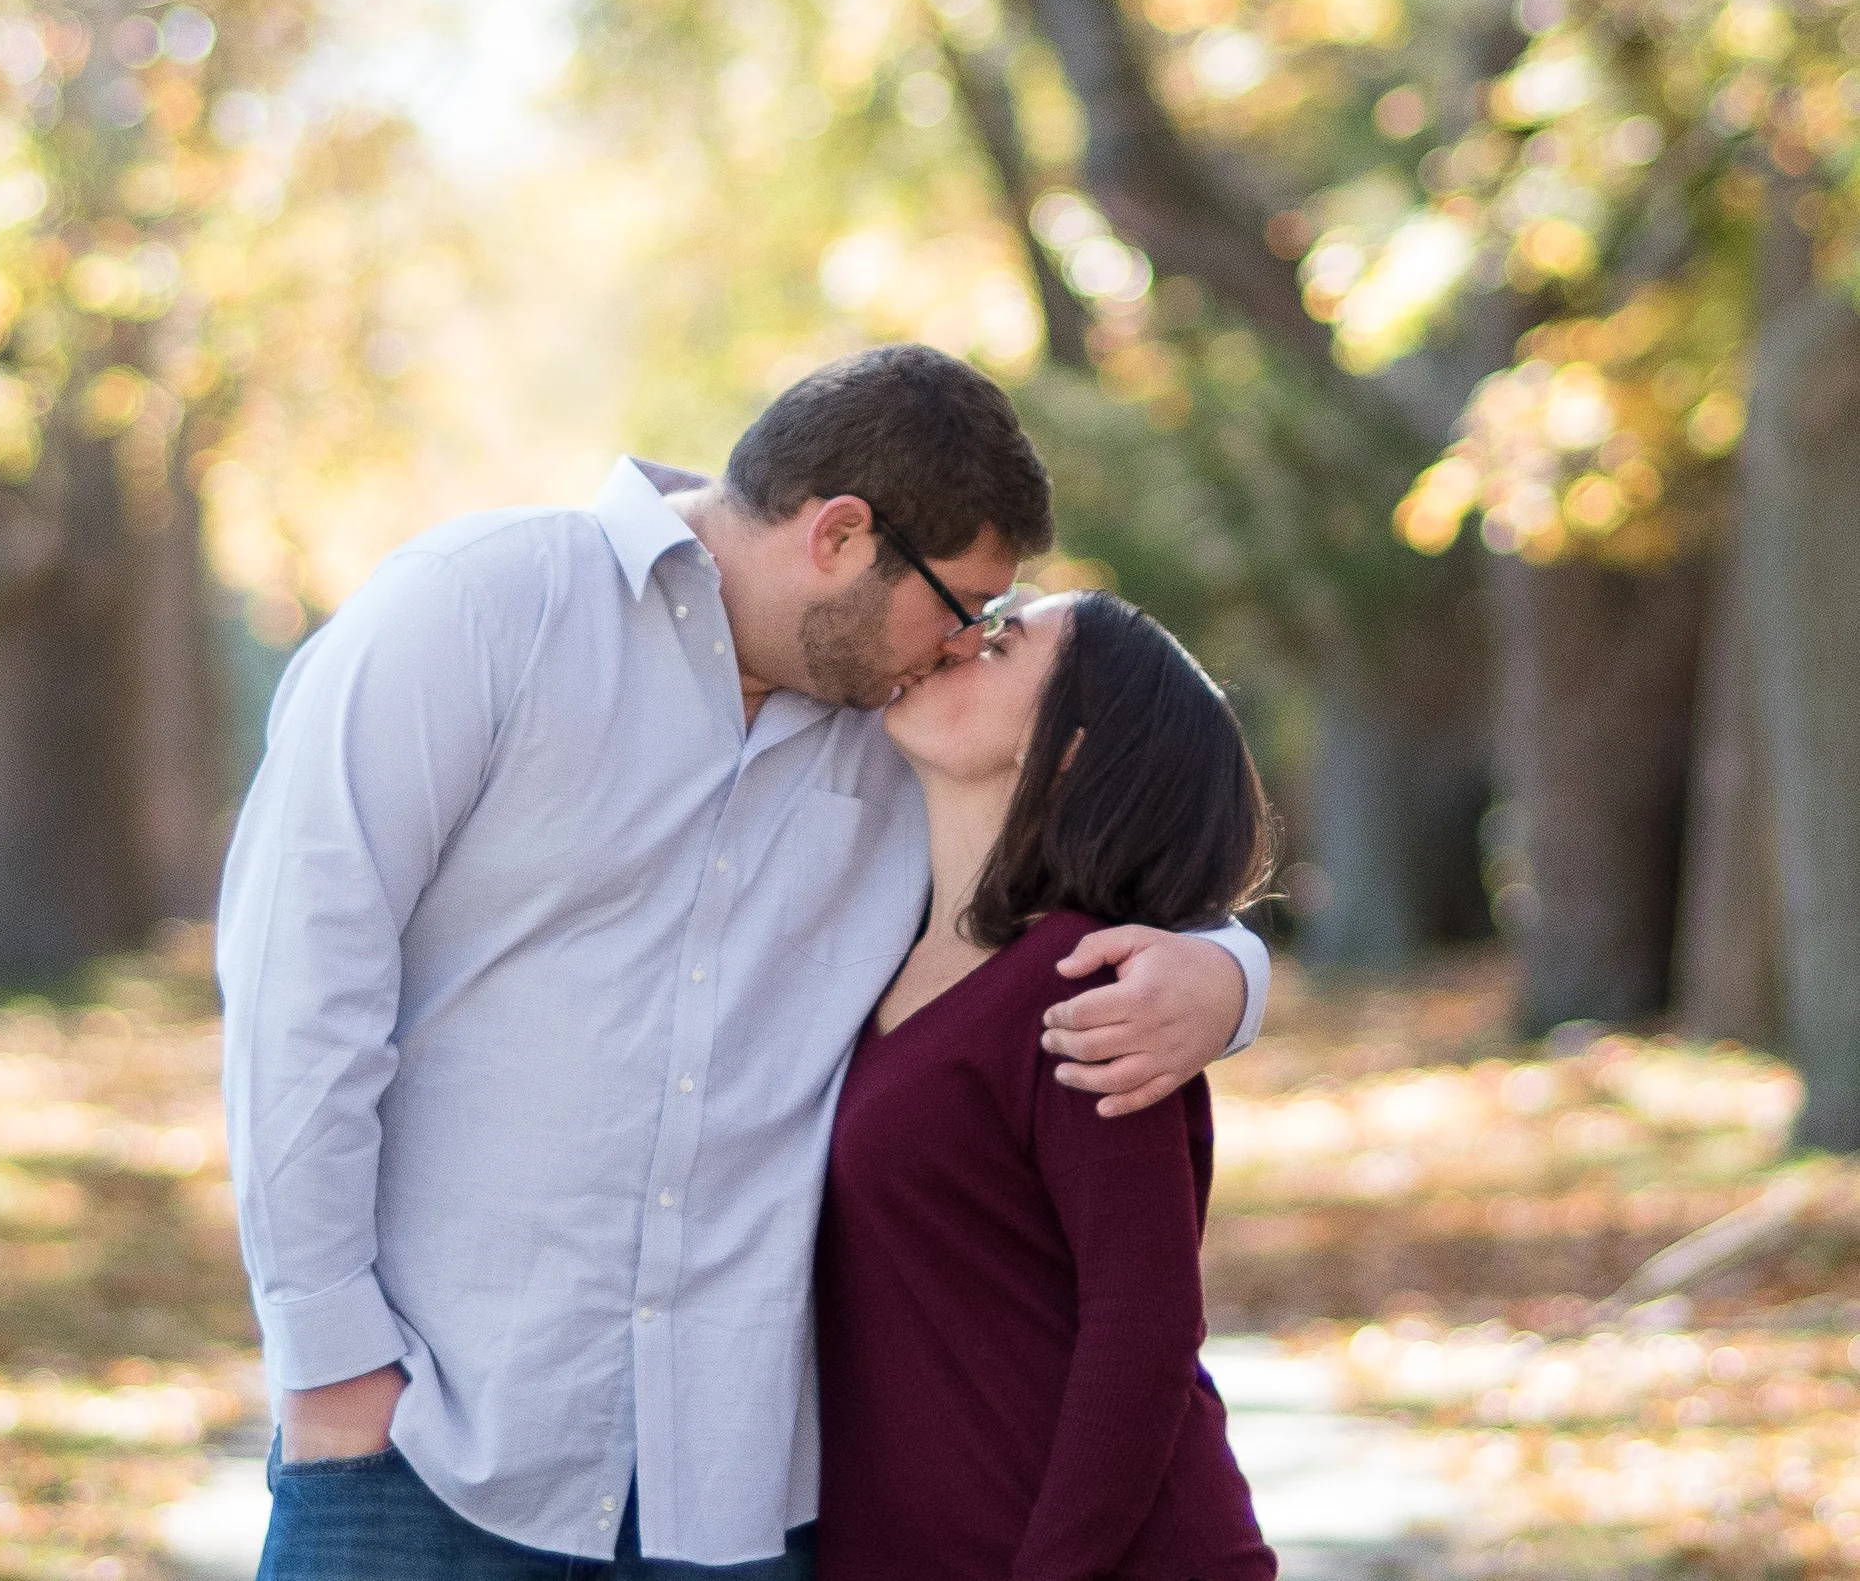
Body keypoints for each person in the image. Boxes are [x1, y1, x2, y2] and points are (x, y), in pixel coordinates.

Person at [218, 343, 1272, 1579]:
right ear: (838, 536)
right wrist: (330, 1361)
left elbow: (1106, 831)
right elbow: (299, 988)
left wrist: (1228, 977)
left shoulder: (900, 731)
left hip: (731, 1497)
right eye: (961, 607)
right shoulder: (477, 609)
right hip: (429, 1449)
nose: (959, 646)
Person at [815, 588, 1278, 1581]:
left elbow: (1142, 1323)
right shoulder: (873, 952)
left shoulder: (1087, 985)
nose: (954, 642)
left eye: (998, 644)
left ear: (1065, 745)